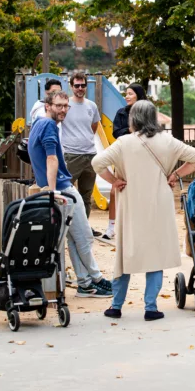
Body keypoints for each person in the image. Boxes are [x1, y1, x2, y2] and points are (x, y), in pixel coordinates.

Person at [92, 100, 195, 321]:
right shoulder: (168, 141)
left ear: (133, 118)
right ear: (153, 118)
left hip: (131, 205)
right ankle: (151, 307)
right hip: (158, 205)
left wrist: (114, 181)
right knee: (155, 254)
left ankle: (116, 305)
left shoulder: (123, 142)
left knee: (125, 254)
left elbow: (97, 163)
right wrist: (176, 175)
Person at [27, 91, 112, 298]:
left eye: (66, 106)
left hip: (56, 187)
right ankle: (97, 278)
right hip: (64, 188)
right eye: (58, 106)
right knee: (84, 237)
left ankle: (85, 283)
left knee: (74, 238)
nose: (63, 109)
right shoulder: (48, 126)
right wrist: (55, 190)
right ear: (48, 106)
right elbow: (51, 159)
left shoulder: (38, 122)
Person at [105, 83, 147, 240]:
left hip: (142, 156)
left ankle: (139, 226)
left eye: (130, 93)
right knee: (115, 190)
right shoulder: (122, 113)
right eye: (126, 94)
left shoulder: (147, 112)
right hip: (124, 155)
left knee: (140, 191)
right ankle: (111, 226)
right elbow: (116, 132)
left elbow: (151, 131)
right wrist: (130, 130)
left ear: (138, 95)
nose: (127, 96)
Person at [61, 72, 101, 235]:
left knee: (86, 194)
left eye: (83, 85)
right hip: (71, 154)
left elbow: (94, 125)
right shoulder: (65, 105)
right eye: (76, 85)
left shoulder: (92, 106)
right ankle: (65, 226)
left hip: (90, 154)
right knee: (65, 193)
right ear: (71, 86)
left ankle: (83, 228)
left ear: (86, 86)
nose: (80, 88)